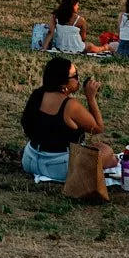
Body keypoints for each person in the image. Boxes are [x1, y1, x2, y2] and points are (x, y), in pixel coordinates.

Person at [19, 54, 112, 183]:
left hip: (30, 160)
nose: (78, 79)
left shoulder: (37, 95)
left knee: (97, 147)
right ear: (63, 84)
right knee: (107, 152)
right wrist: (91, 98)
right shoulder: (70, 105)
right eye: (75, 76)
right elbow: (98, 128)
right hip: (59, 167)